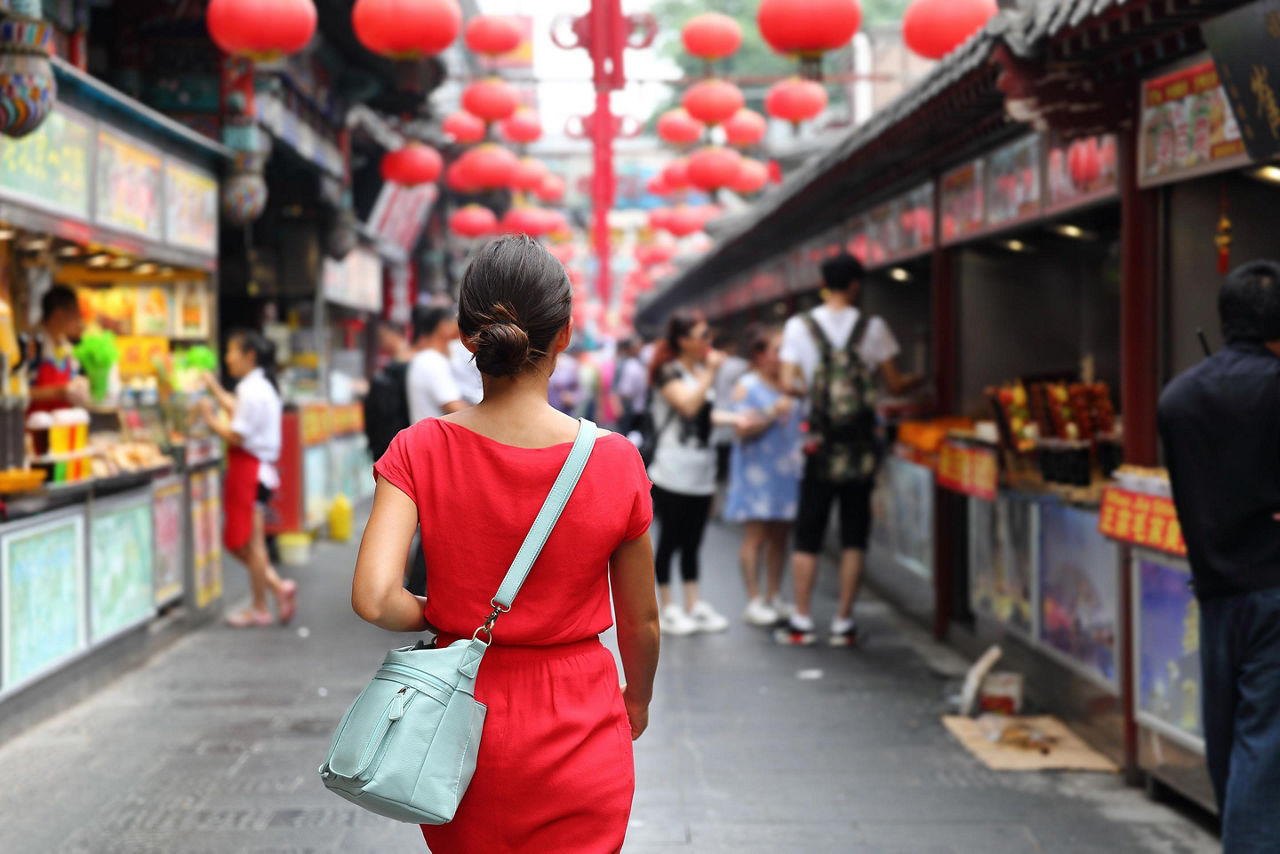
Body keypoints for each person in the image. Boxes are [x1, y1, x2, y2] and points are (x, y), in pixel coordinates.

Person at [351, 235, 660, 853]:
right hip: (581, 719)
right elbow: (642, 622)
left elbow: (375, 598)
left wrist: (443, 613)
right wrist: (638, 699)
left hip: (459, 722)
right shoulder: (615, 461)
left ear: (468, 338)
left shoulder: (419, 449)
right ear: (566, 335)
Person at [1158, 260, 1280, 851]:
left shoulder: (1178, 398)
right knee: (1264, 740)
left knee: (1228, 736)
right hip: (1274, 589)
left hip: (1214, 591)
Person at [775, 252, 922, 646]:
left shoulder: (798, 326)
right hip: (859, 448)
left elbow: (788, 383)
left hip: (817, 446)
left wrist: (812, 392)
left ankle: (802, 618)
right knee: (854, 535)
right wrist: (922, 379)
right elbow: (893, 384)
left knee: (808, 534)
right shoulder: (872, 327)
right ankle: (843, 622)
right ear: (855, 284)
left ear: (824, 282)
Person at [200, 330, 295, 628]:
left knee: (249, 543)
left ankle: (261, 605)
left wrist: (209, 419)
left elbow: (237, 434)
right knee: (248, 542)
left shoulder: (250, 390)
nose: (227, 357)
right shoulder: (260, 387)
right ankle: (275, 589)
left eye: (231, 350)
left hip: (250, 471)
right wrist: (215, 389)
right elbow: (239, 413)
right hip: (256, 470)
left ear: (249, 355)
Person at [647, 311, 732, 636]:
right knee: (670, 539)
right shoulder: (669, 372)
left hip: (702, 472)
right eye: (702, 335)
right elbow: (688, 407)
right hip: (672, 472)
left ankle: (694, 604)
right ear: (683, 340)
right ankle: (668, 607)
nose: (708, 342)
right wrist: (710, 374)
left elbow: (705, 416)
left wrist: (738, 420)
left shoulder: (698, 372)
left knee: (694, 542)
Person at [725, 326, 802, 627]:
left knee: (781, 535)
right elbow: (742, 428)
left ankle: (773, 594)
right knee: (755, 537)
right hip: (756, 472)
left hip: (787, 470)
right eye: (776, 351)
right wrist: (771, 412)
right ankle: (754, 599)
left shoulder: (791, 385)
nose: (783, 358)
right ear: (759, 355)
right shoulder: (747, 385)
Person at [27, 285, 89, 415]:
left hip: (61, 428)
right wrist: (60, 392)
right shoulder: (32, 346)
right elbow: (17, 393)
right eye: (75, 314)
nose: (79, 320)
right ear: (59, 314)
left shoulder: (65, 346)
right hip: (35, 429)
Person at [406, 304, 468, 423]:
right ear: (443, 326)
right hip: (433, 439)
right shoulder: (431, 361)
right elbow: (454, 407)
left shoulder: (432, 359)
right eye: (455, 322)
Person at [363, 321, 413, 462]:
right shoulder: (401, 365)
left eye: (382, 336)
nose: (381, 341)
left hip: (393, 444)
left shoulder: (400, 367)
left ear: (393, 334)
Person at [614, 337, 649, 441]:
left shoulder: (637, 363)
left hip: (635, 409)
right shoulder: (629, 365)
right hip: (629, 409)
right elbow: (624, 391)